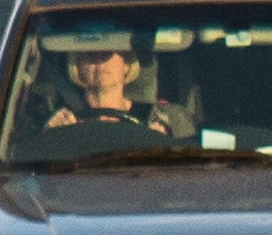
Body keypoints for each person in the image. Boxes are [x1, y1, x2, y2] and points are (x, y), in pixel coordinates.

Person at [23, 37, 184, 156]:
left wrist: (162, 145)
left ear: (126, 64)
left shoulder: (162, 117)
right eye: (90, 55)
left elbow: (185, 170)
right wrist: (49, 138)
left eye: (108, 54)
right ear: (77, 67)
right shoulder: (62, 120)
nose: (100, 60)